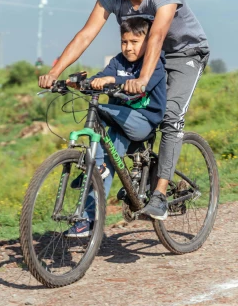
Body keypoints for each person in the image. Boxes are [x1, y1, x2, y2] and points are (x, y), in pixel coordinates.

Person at [40, 0, 209, 221]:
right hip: (142, 55)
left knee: (171, 117)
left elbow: (157, 36)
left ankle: (160, 196)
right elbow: (86, 34)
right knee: (116, 109)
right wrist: (55, 72)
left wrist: (142, 78)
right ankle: (126, 176)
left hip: (183, 53)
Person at [65, 16, 167, 237]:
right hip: (120, 126)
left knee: (101, 109)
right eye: (124, 42)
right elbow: (101, 77)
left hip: (143, 122)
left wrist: (113, 81)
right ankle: (87, 220)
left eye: (134, 42)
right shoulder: (118, 62)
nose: (128, 47)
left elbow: (142, 84)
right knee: (107, 164)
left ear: (149, 42)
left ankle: (95, 166)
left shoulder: (154, 62)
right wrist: (81, 83)